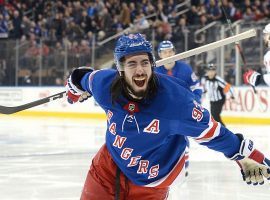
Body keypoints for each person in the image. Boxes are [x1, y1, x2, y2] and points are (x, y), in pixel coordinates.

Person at [65, 33, 270, 200]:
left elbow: (216, 135)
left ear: (152, 65)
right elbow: (80, 77)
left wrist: (245, 158)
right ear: (120, 69)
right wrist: (73, 92)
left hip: (152, 182)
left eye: (144, 62)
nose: (139, 70)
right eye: (132, 64)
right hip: (107, 167)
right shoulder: (104, 85)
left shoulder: (175, 103)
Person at [155, 40, 203, 177]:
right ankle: (163, 168)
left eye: (170, 51)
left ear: (174, 52)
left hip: (182, 111)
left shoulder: (186, 69)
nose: (168, 54)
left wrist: (196, 101)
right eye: (164, 52)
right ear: (160, 55)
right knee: (162, 142)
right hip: (162, 113)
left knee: (182, 139)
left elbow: (197, 87)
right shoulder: (154, 71)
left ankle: (184, 167)